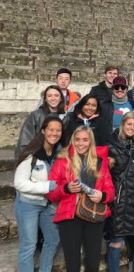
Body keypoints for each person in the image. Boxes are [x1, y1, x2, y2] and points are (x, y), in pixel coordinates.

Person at [46, 126, 115, 272]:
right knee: (72, 264)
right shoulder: (62, 162)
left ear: (90, 142)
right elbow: (50, 193)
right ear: (72, 141)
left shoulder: (101, 162)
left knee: (93, 262)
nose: (80, 143)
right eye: (77, 140)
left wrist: (102, 196)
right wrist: (66, 189)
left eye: (85, 140)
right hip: (70, 216)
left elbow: (110, 192)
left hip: (94, 214)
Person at [14, 116, 67, 272]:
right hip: (28, 204)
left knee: (52, 240)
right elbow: (19, 183)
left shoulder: (61, 153)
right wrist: (48, 186)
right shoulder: (31, 154)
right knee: (29, 244)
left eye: (58, 130)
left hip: (49, 205)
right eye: (51, 129)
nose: (54, 133)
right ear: (43, 130)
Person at [106, 111, 134, 272]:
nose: (132, 128)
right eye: (129, 124)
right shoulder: (110, 144)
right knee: (117, 243)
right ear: (122, 124)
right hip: (120, 201)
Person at [16, 85, 66, 160]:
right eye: (49, 96)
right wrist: (23, 160)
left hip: (57, 158)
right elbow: (25, 139)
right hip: (37, 156)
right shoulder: (36, 115)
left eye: (56, 96)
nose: (53, 98)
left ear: (61, 98)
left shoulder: (66, 117)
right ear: (45, 99)